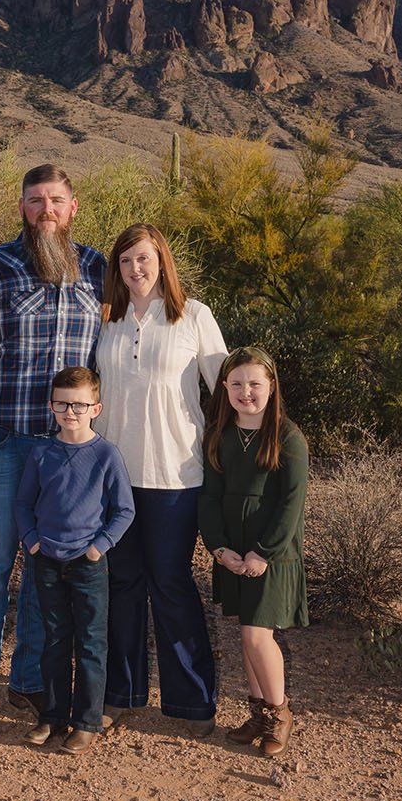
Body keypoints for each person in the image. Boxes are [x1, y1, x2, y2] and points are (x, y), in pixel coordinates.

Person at [0, 166, 107, 739]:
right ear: (22, 206)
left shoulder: (95, 268)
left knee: (50, 569)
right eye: (36, 200)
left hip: (69, 451)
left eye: (57, 200)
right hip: (7, 442)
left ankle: (28, 680)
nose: (47, 209)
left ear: (73, 207)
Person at [94, 223, 226, 734]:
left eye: (144, 258)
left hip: (176, 474)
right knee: (122, 584)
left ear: (162, 260)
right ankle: (120, 695)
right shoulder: (106, 319)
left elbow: (226, 386)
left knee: (171, 584)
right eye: (126, 261)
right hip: (113, 474)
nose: (136, 269)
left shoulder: (194, 316)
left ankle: (192, 702)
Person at [14, 366, 135, 754]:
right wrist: (31, 542)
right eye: (62, 404)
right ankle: (51, 717)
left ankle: (85, 721)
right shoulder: (41, 453)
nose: (70, 412)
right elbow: (22, 503)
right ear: (51, 406)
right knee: (54, 640)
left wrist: (99, 546)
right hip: (45, 560)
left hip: (88, 563)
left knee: (90, 642)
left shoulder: (106, 455)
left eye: (79, 405)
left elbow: (124, 511)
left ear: (95, 408)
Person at [197, 346, 308, 757]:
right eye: (238, 383)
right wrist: (220, 548)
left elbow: (291, 505)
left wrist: (263, 553)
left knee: (258, 635)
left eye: (255, 384)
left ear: (272, 386)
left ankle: (280, 713)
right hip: (233, 551)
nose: (247, 392)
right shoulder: (219, 437)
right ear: (224, 387)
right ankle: (260, 713)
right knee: (246, 635)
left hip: (271, 555)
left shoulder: (289, 438)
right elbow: (209, 499)